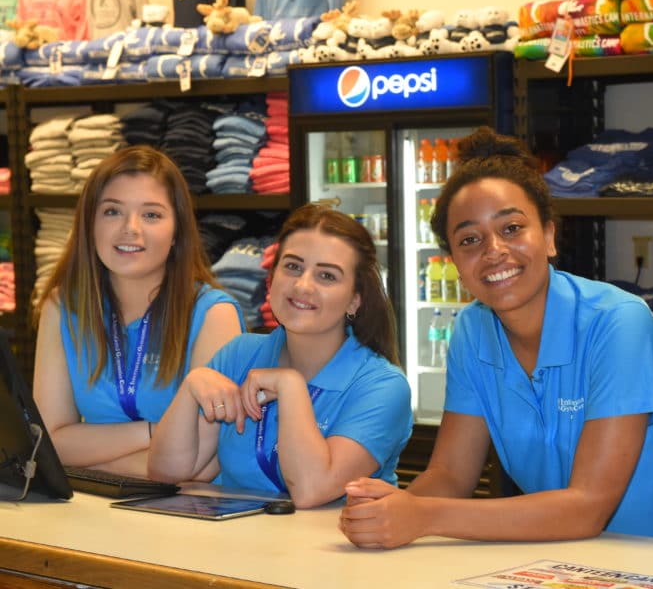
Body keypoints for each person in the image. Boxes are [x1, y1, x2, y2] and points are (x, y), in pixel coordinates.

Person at [340, 127, 653, 548]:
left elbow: (587, 507)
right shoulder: (472, 330)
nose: (493, 250)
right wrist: (387, 511)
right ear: (454, 262)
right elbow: (451, 475)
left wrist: (422, 515)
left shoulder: (617, 322)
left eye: (511, 228)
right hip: (557, 564)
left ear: (549, 236)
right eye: (470, 240)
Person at [148, 204, 413, 508]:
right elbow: (167, 473)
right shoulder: (239, 353)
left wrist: (290, 386)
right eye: (293, 267)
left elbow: (310, 490)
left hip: (339, 550)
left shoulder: (383, 386)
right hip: (239, 546)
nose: (303, 285)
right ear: (271, 279)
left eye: (327, 276)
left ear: (354, 301)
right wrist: (191, 386)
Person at [33, 145, 244, 478]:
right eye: (112, 211)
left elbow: (199, 467)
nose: (130, 228)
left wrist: (89, 461)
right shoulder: (62, 308)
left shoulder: (214, 315)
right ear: (89, 224)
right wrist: (153, 432)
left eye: (151, 215)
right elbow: (49, 443)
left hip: (190, 514)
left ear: (177, 232)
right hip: (93, 511)